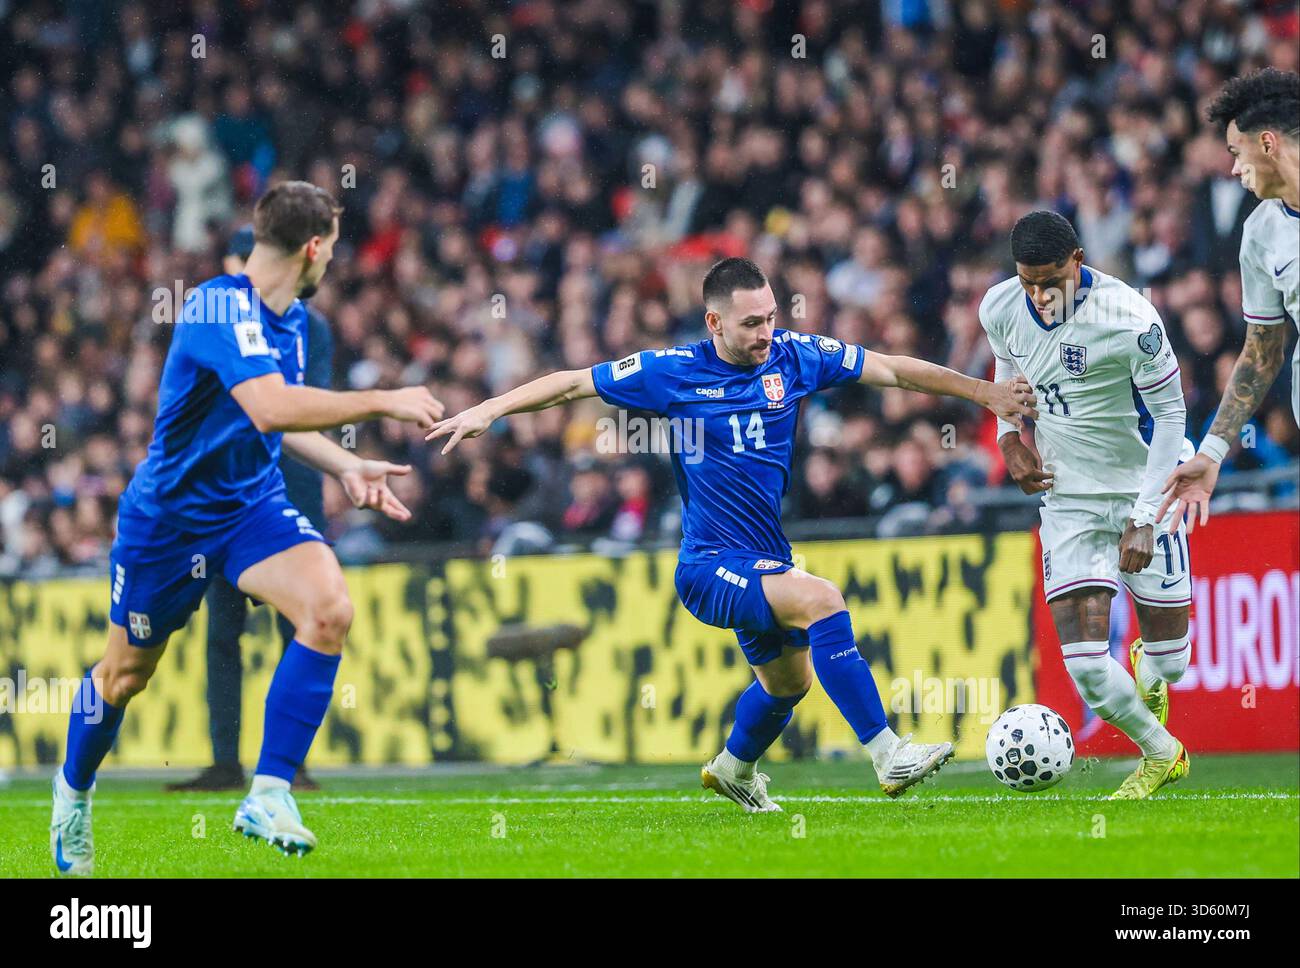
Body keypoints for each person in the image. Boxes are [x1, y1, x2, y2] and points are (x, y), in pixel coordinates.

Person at [426, 256, 1036, 811]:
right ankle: (887, 753)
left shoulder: (794, 356)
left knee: (787, 683)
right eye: (750, 324)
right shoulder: (671, 372)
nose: (765, 332)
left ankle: (734, 767)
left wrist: (983, 392)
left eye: (770, 317)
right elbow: (570, 383)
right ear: (713, 321)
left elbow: (893, 372)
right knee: (823, 599)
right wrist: (489, 409)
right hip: (707, 564)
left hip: (764, 559)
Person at [51, 181, 445, 874]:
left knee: (328, 609)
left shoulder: (290, 317)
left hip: (249, 507)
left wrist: (344, 465)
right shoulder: (214, 305)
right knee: (122, 678)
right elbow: (268, 407)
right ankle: (72, 797)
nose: (332, 264)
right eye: (333, 251)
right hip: (168, 522)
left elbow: (276, 420)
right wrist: (385, 398)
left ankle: (267, 791)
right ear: (314, 246)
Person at [982, 211, 1191, 800]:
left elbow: (1173, 416)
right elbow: (1006, 372)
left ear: (1078, 258)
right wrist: (1008, 439)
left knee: (1172, 665)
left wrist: (1145, 517)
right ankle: (1161, 751)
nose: (1040, 295)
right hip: (1066, 497)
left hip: (1142, 487)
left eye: (1051, 279)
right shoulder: (998, 306)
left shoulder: (1132, 320)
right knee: (1086, 663)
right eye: (1028, 281)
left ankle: (1152, 654)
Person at [165, 225, 332, 793]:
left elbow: (302, 409)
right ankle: (225, 760)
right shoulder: (217, 320)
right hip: (227, 502)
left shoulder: (310, 325)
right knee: (222, 635)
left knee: (302, 627)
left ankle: (289, 762)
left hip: (288, 496)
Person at [1160, 69, 1299, 531]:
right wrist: (1213, 450)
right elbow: (1262, 350)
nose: (1234, 169)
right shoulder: (1260, 234)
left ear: (1267, 143)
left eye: (1237, 154)